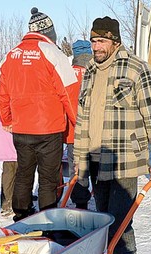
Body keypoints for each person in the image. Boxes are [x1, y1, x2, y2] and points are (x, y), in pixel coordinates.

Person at [74, 16, 151, 254]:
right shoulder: (90, 70)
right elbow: (81, 120)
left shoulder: (137, 68)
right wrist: (78, 165)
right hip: (94, 159)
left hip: (124, 161)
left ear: (115, 42)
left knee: (120, 225)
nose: (96, 46)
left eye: (102, 41)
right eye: (93, 41)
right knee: (103, 223)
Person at [0, 7, 77, 222]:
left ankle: (21, 215)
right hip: (49, 129)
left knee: (24, 172)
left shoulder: (10, 55)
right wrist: (77, 124)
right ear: (50, 32)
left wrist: (7, 120)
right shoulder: (53, 53)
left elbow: (0, 93)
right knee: (48, 178)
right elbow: (68, 93)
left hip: (21, 129)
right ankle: (47, 219)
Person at [65, 39, 93, 209]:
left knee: (76, 168)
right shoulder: (96, 71)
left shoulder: (67, 74)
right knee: (96, 165)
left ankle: (80, 202)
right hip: (95, 131)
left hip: (72, 132)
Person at [0, 89, 17, 216]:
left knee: (12, 168)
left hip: (5, 127)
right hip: (8, 128)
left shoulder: (0, 87)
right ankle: (8, 203)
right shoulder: (4, 87)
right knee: (11, 168)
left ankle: (13, 200)